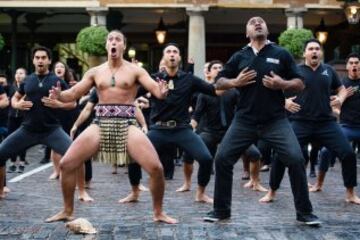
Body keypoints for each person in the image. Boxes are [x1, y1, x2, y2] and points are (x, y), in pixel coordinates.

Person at [45, 30, 177, 224]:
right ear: (107, 46)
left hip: (127, 122)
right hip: (100, 123)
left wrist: (163, 91)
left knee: (156, 168)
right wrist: (59, 96)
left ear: (123, 45)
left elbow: (156, 90)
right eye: (110, 40)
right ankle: (67, 210)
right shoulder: (95, 72)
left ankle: (158, 212)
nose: (113, 42)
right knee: (66, 164)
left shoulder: (136, 70)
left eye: (118, 40)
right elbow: (72, 93)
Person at [203, 16, 320, 226]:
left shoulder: (280, 53)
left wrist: (281, 84)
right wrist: (235, 82)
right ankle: (221, 210)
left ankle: (305, 212)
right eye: (252, 22)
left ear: (267, 29)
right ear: (247, 33)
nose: (257, 23)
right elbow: (219, 81)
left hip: (275, 120)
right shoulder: (240, 56)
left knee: (295, 158)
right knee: (222, 159)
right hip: (244, 120)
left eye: (261, 22)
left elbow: (300, 83)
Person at [122, 43, 218, 204]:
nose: (172, 54)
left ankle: (200, 193)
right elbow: (129, 95)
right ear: (164, 58)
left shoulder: (189, 79)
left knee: (206, 159)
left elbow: (213, 90)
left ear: (179, 58)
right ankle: (135, 191)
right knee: (133, 156)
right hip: (159, 129)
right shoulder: (153, 79)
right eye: (168, 52)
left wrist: (234, 82)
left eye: (175, 52)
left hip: (182, 129)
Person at [0, 46, 75, 200]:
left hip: (52, 130)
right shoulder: (27, 80)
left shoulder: (57, 81)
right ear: (33, 60)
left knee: (76, 156)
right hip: (27, 130)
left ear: (49, 61)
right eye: (37, 58)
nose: (40, 60)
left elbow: (73, 103)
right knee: (0, 153)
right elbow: (15, 98)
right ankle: (1, 190)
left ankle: (81, 191)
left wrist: (59, 104)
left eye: (43, 58)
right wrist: (17, 104)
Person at [309, 52, 360, 204]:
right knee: (325, 151)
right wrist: (339, 104)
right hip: (346, 126)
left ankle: (350, 193)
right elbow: (326, 102)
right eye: (351, 63)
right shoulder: (341, 85)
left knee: (349, 156)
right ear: (347, 66)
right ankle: (318, 184)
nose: (354, 65)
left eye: (356, 63)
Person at [7, 68, 28, 173]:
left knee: (23, 140)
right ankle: (12, 163)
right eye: (17, 73)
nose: (18, 75)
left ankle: (22, 163)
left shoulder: (28, 87)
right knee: (12, 139)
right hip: (12, 117)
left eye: (21, 73)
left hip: (23, 117)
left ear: (26, 75)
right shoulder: (11, 87)